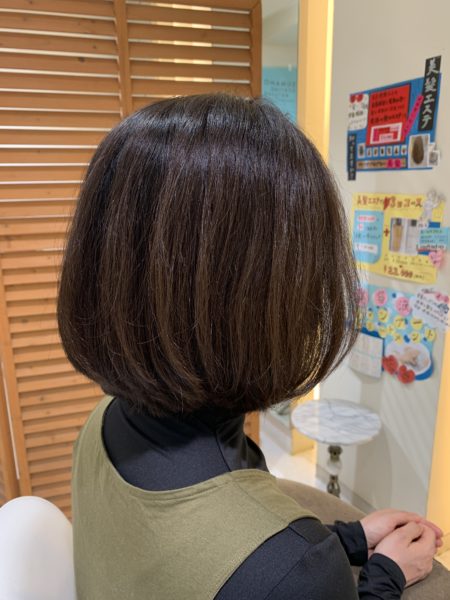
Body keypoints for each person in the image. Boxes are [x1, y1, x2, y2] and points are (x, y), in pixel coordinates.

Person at [58, 94, 442, 599]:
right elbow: (255, 567)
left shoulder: (99, 425)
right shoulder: (295, 572)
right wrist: (385, 575)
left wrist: (346, 540)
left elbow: (198, 561)